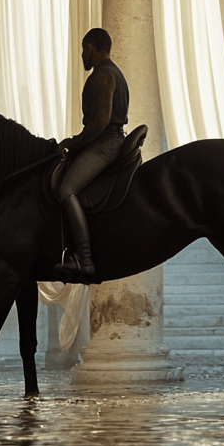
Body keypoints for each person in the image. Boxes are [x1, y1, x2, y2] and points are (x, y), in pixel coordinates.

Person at [53, 27, 129, 275]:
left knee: (66, 189)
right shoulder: (114, 72)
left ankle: (84, 259)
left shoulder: (102, 75)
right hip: (109, 141)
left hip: (105, 144)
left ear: (90, 48)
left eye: (83, 50)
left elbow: (100, 123)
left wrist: (72, 142)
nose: (82, 56)